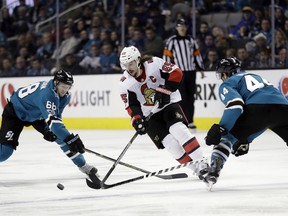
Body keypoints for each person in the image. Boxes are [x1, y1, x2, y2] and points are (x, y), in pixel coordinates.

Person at [119, 45, 209, 179]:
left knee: (179, 131)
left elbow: (177, 72)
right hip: (149, 116)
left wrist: (165, 90)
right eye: (125, 65)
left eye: (131, 63)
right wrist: (137, 120)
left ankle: (203, 164)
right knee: (171, 145)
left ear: (138, 60)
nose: (128, 68)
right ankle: (196, 169)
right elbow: (131, 105)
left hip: (168, 105)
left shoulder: (153, 64)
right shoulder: (125, 83)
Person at [203, 57, 288, 188]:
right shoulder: (257, 76)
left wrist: (221, 128)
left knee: (226, 138)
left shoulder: (228, 83)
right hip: (283, 108)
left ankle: (214, 170)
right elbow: (268, 114)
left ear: (225, 73)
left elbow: (236, 106)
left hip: (258, 110)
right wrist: (245, 139)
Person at [0, 70, 98, 181]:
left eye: (68, 86)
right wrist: (70, 139)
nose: (65, 89)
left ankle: (82, 165)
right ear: (56, 82)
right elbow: (56, 126)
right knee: (4, 153)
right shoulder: (48, 94)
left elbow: (57, 121)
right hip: (15, 113)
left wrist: (65, 138)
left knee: (60, 138)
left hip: (35, 115)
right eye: (63, 86)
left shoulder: (65, 97)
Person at [163, 18, 205, 129]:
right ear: (176, 27)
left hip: (191, 72)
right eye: (179, 25)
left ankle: (190, 121)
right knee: (182, 98)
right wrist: (167, 72)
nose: (182, 27)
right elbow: (167, 56)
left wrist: (200, 69)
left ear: (186, 27)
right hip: (179, 73)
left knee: (191, 97)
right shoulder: (171, 41)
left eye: (184, 25)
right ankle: (183, 120)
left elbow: (197, 55)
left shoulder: (191, 40)